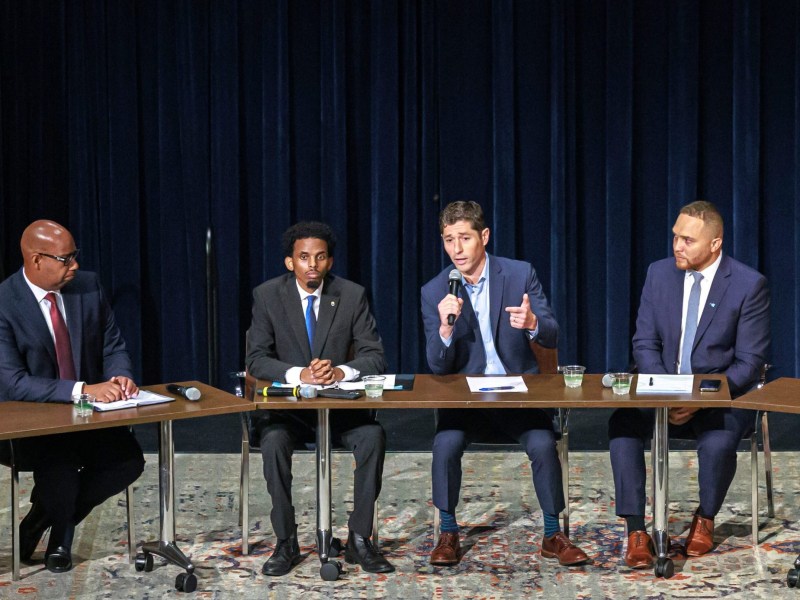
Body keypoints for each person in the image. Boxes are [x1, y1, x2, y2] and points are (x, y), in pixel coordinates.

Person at [420, 201, 589, 567]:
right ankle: (448, 532)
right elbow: (436, 364)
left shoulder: (518, 274)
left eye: (464, 238)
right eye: (449, 240)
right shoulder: (436, 290)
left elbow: (552, 332)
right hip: (467, 403)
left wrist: (531, 323)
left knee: (544, 444)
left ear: (484, 236)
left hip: (518, 397)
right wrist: (446, 328)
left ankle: (552, 533)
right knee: (444, 445)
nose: (457, 249)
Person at [609, 200, 770, 568]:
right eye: (675, 237)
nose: (677, 246)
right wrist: (666, 393)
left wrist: (698, 399)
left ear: (715, 244)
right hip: (662, 390)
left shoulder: (748, 284)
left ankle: (706, 517)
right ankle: (636, 530)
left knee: (717, 443)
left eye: (688, 240)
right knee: (621, 426)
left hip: (718, 398)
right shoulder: (659, 273)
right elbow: (644, 343)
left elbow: (749, 363)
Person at [245, 221, 394, 575]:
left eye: (320, 257)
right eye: (304, 257)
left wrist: (340, 371)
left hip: (340, 409)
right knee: (273, 443)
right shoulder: (267, 296)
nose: (312, 264)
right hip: (290, 413)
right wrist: (300, 374)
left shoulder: (352, 295)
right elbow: (256, 359)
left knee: (373, 436)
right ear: (289, 262)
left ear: (329, 262)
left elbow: (375, 355)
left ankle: (359, 539)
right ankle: (286, 541)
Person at [0, 220, 145, 573]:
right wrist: (82, 389)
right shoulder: (4, 303)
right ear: (36, 260)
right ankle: (60, 535)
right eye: (66, 259)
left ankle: (38, 520)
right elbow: (12, 383)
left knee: (128, 462)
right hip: (34, 424)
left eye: (75, 256)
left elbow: (112, 345)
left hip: (88, 416)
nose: (75, 266)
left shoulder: (87, 286)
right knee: (61, 472)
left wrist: (120, 375)